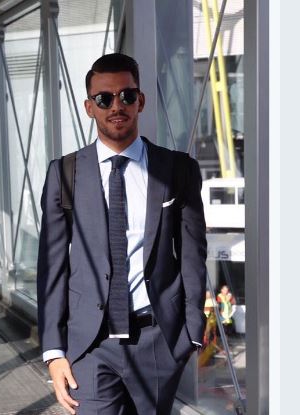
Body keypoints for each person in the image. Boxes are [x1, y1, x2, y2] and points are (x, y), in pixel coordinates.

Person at [37, 53, 207, 414]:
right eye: (104, 98)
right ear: (89, 107)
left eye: (127, 96)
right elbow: (52, 267)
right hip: (90, 344)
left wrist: (192, 331)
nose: (117, 106)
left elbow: (193, 253)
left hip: (158, 340)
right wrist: (54, 350)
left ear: (140, 100)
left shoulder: (176, 169)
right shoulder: (64, 173)